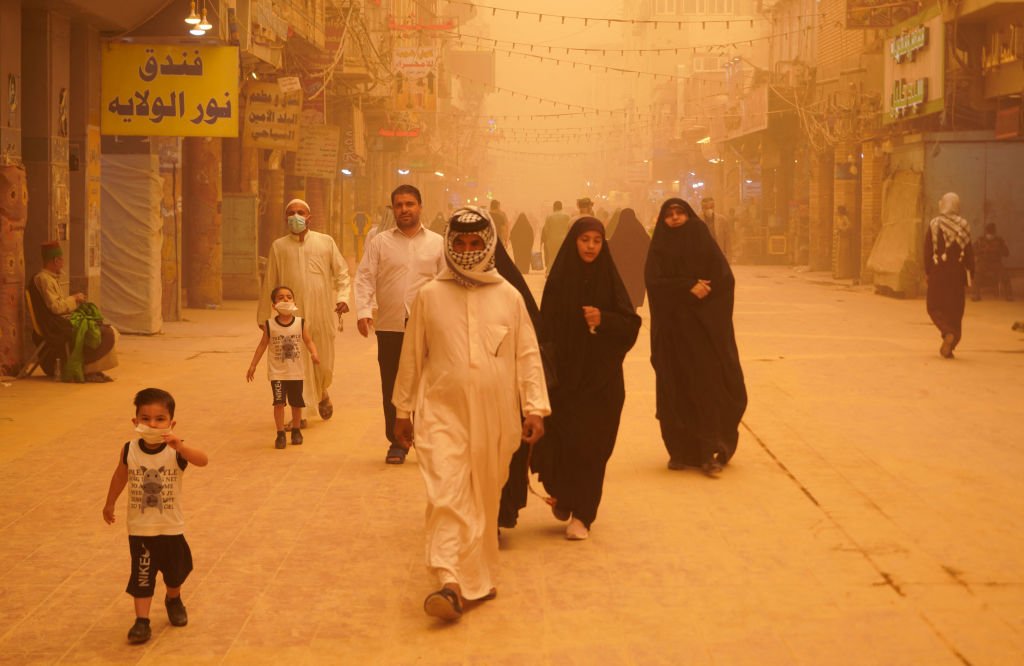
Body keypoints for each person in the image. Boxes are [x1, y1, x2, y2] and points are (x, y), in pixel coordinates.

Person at [392, 207, 549, 621]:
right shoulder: (429, 296)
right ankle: (448, 579)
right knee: (446, 493)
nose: (465, 251)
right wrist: (402, 409)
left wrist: (534, 406)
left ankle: (474, 580)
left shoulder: (509, 297)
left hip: (497, 417)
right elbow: (412, 355)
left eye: (474, 243)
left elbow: (527, 355)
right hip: (441, 411)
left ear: (489, 244)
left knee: (482, 498)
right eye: (458, 243)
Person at [531, 218, 640, 540]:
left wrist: (603, 319)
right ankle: (563, 495)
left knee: (592, 449)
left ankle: (584, 515)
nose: (591, 246)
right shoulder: (559, 280)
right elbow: (543, 330)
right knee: (562, 445)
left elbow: (631, 324)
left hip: (601, 384)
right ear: (573, 243)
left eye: (596, 240)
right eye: (585, 240)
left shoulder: (610, 279)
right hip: (564, 383)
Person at [645, 198, 747, 475]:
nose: (675, 218)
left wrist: (704, 294)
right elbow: (654, 283)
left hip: (703, 334)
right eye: (669, 214)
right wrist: (687, 286)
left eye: (680, 213)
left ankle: (707, 452)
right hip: (673, 336)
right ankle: (678, 451)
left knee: (706, 391)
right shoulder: (659, 247)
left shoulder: (702, 239)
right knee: (675, 391)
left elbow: (724, 279)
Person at [102, 388, 209, 645]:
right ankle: (142, 621)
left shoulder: (175, 451)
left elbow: (203, 460)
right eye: (145, 418)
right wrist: (109, 503)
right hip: (140, 529)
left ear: (171, 423)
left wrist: (181, 446)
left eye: (159, 419)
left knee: (175, 573)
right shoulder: (130, 450)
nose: (152, 424)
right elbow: (120, 476)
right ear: (135, 422)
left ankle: (173, 598)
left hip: (171, 527)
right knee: (142, 575)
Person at [355, 184, 444, 464]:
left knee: (429, 383)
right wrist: (363, 310)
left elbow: (447, 283)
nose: (404, 209)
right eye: (399, 205)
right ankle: (397, 442)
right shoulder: (380, 242)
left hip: (429, 325)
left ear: (420, 206)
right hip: (390, 324)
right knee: (392, 383)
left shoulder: (438, 243)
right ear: (392, 209)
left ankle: (428, 440)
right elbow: (365, 277)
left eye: (409, 204)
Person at [258, 199, 351, 424]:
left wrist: (342, 298)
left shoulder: (325, 242)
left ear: (309, 217)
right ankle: (302, 413)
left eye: (300, 212)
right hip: (291, 317)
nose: (296, 216)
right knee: (296, 366)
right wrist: (264, 317)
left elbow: (342, 273)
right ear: (285, 218)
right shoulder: (279, 247)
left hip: (321, 314)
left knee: (324, 363)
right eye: (291, 213)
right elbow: (270, 280)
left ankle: (321, 392)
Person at [494, 241, 543, 530]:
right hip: (463, 395)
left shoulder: (511, 295)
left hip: (507, 392)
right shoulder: (440, 292)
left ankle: (502, 511)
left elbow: (529, 348)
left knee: (505, 452)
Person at [30, 241, 118, 382]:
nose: (63, 262)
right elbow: (56, 307)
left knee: (101, 326)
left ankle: (93, 369)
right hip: (54, 325)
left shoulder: (50, 278)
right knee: (101, 333)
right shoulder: (44, 279)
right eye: (62, 259)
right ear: (55, 260)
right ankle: (87, 370)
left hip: (59, 320)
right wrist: (74, 299)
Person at [246, 286, 321, 449]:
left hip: (296, 373)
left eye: (288, 297)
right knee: (279, 403)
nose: (285, 300)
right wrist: (253, 365)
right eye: (281, 297)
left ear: (294, 301)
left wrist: (314, 353)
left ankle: (296, 430)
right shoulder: (270, 325)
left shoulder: (300, 323)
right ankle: (280, 433)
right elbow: (262, 345)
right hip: (277, 373)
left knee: (296, 403)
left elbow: (308, 341)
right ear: (274, 305)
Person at [925, 192, 975, 359]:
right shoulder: (964, 226)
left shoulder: (934, 224)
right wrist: (971, 275)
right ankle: (951, 343)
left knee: (933, 305)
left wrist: (927, 271)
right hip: (957, 274)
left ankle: (946, 332)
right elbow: (969, 253)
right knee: (955, 310)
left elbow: (927, 250)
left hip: (938, 272)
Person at [607, 207, 651, 310]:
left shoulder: (617, 234)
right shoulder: (640, 232)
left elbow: (611, 251)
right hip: (637, 271)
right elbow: (648, 247)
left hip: (622, 271)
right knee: (634, 297)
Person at [972, 223, 1012, 301]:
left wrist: (998, 250)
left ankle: (1009, 295)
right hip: (983, 262)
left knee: (1005, 276)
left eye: (991, 234)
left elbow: (1006, 253)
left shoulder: (999, 240)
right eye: (988, 233)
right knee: (976, 275)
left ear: (994, 233)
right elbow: (973, 251)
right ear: (985, 233)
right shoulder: (980, 240)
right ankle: (975, 295)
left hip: (996, 263)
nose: (990, 236)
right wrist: (982, 251)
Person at [541, 201, 571, 274]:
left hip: (552, 240)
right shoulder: (567, 216)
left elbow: (546, 229)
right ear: (561, 207)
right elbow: (569, 228)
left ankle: (550, 272)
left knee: (552, 257)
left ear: (554, 207)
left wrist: (548, 238)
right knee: (562, 257)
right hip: (563, 240)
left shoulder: (549, 216)